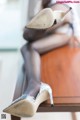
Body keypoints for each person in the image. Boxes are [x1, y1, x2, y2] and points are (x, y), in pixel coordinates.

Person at [3, 0, 80, 117]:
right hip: (57, 32)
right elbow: (30, 19)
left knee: (29, 32)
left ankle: (51, 17)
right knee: (28, 48)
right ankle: (35, 85)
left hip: (65, 20)